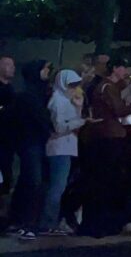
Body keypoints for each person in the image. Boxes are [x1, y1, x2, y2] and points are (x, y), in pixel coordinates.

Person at [80, 58, 131, 237]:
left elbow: (126, 92)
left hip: (110, 136)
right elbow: (119, 110)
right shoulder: (107, 87)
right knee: (106, 180)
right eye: (123, 67)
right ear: (115, 69)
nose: (125, 72)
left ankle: (106, 222)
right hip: (108, 137)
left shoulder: (113, 86)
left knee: (109, 180)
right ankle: (100, 224)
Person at [6, 60, 52, 240]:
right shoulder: (28, 96)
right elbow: (40, 119)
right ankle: (25, 223)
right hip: (30, 143)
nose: (47, 72)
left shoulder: (36, 94)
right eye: (45, 69)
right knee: (33, 182)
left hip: (34, 143)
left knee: (28, 181)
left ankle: (19, 221)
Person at [39, 69, 86, 236]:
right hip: (59, 147)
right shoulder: (58, 101)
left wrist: (78, 111)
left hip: (65, 147)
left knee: (59, 186)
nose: (74, 88)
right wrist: (81, 121)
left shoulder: (65, 100)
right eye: (71, 85)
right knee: (56, 187)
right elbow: (59, 127)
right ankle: (48, 223)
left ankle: (51, 221)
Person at [0, 55, 15, 207]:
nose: (12, 68)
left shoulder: (11, 89)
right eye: (8, 65)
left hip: (8, 140)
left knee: (7, 173)